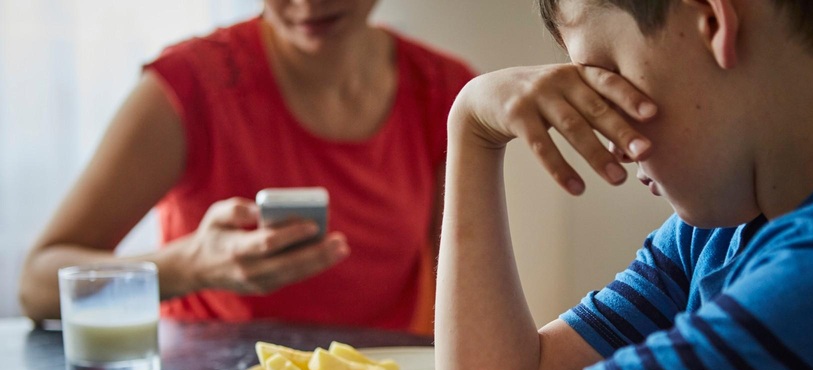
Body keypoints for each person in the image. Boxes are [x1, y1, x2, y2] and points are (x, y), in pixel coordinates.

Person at [426, 0, 813, 370]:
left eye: (604, 77)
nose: (610, 139)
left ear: (714, 22)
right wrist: (473, 126)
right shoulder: (718, 235)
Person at [18, 0, 475, 334]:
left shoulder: (444, 91)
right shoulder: (190, 84)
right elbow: (38, 285)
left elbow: (459, 287)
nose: (309, 3)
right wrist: (191, 265)